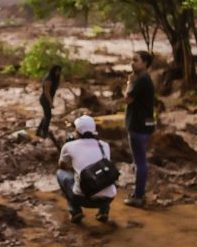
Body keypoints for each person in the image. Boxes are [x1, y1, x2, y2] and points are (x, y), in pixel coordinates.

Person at [57, 115, 117, 224]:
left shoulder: (69, 146)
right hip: (107, 198)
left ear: (77, 131)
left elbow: (62, 166)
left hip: (82, 198)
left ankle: (75, 210)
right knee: (104, 174)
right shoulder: (104, 145)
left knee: (60, 173)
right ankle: (104, 211)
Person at [124, 51, 155, 208]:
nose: (132, 63)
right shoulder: (146, 79)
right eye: (131, 59)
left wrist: (129, 81)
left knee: (140, 162)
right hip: (145, 124)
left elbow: (127, 98)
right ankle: (139, 192)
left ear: (145, 63)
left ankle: (138, 195)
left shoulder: (141, 80)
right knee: (140, 160)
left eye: (135, 60)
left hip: (138, 126)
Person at [36, 65, 61, 138]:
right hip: (45, 99)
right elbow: (46, 92)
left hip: (48, 99)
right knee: (48, 116)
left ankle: (39, 132)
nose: (58, 72)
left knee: (46, 116)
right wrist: (50, 102)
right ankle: (44, 133)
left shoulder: (55, 78)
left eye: (59, 71)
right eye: (56, 71)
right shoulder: (49, 79)